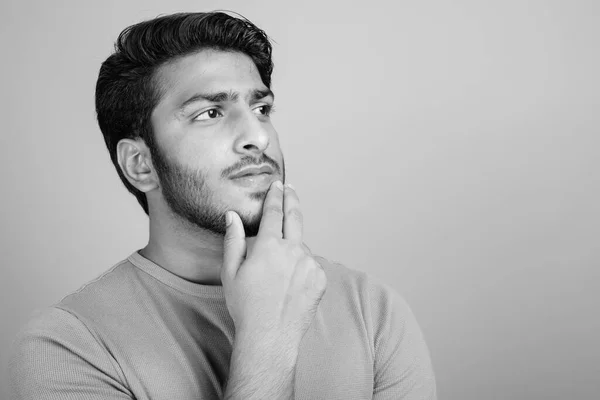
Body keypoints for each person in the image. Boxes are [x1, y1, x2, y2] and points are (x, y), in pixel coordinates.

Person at [8, 11, 437, 400]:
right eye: (210, 113)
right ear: (140, 165)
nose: (258, 136)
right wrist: (269, 337)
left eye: (261, 107)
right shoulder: (71, 345)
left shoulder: (372, 310)